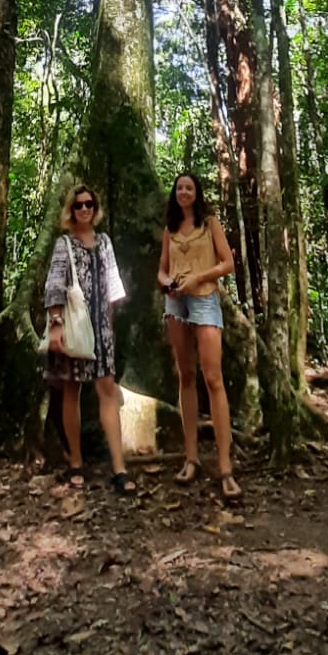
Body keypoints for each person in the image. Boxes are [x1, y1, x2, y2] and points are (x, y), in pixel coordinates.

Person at [44, 182, 136, 495]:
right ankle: (76, 463)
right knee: (72, 391)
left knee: (107, 390)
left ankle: (119, 467)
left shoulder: (105, 242)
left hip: (102, 329)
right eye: (79, 205)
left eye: (90, 205)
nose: (85, 209)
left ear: (95, 210)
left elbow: (113, 285)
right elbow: (54, 284)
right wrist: (56, 325)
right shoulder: (63, 244)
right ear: (71, 210)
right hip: (73, 326)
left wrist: (109, 327)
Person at [157, 172, 241, 498]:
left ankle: (225, 467)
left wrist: (196, 280)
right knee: (186, 376)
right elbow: (162, 268)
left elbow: (228, 263)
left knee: (214, 378)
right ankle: (191, 459)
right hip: (175, 304)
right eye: (179, 188)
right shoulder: (170, 229)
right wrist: (167, 283)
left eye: (189, 188)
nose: (184, 192)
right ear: (175, 193)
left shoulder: (210, 224)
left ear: (197, 192)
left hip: (205, 300)